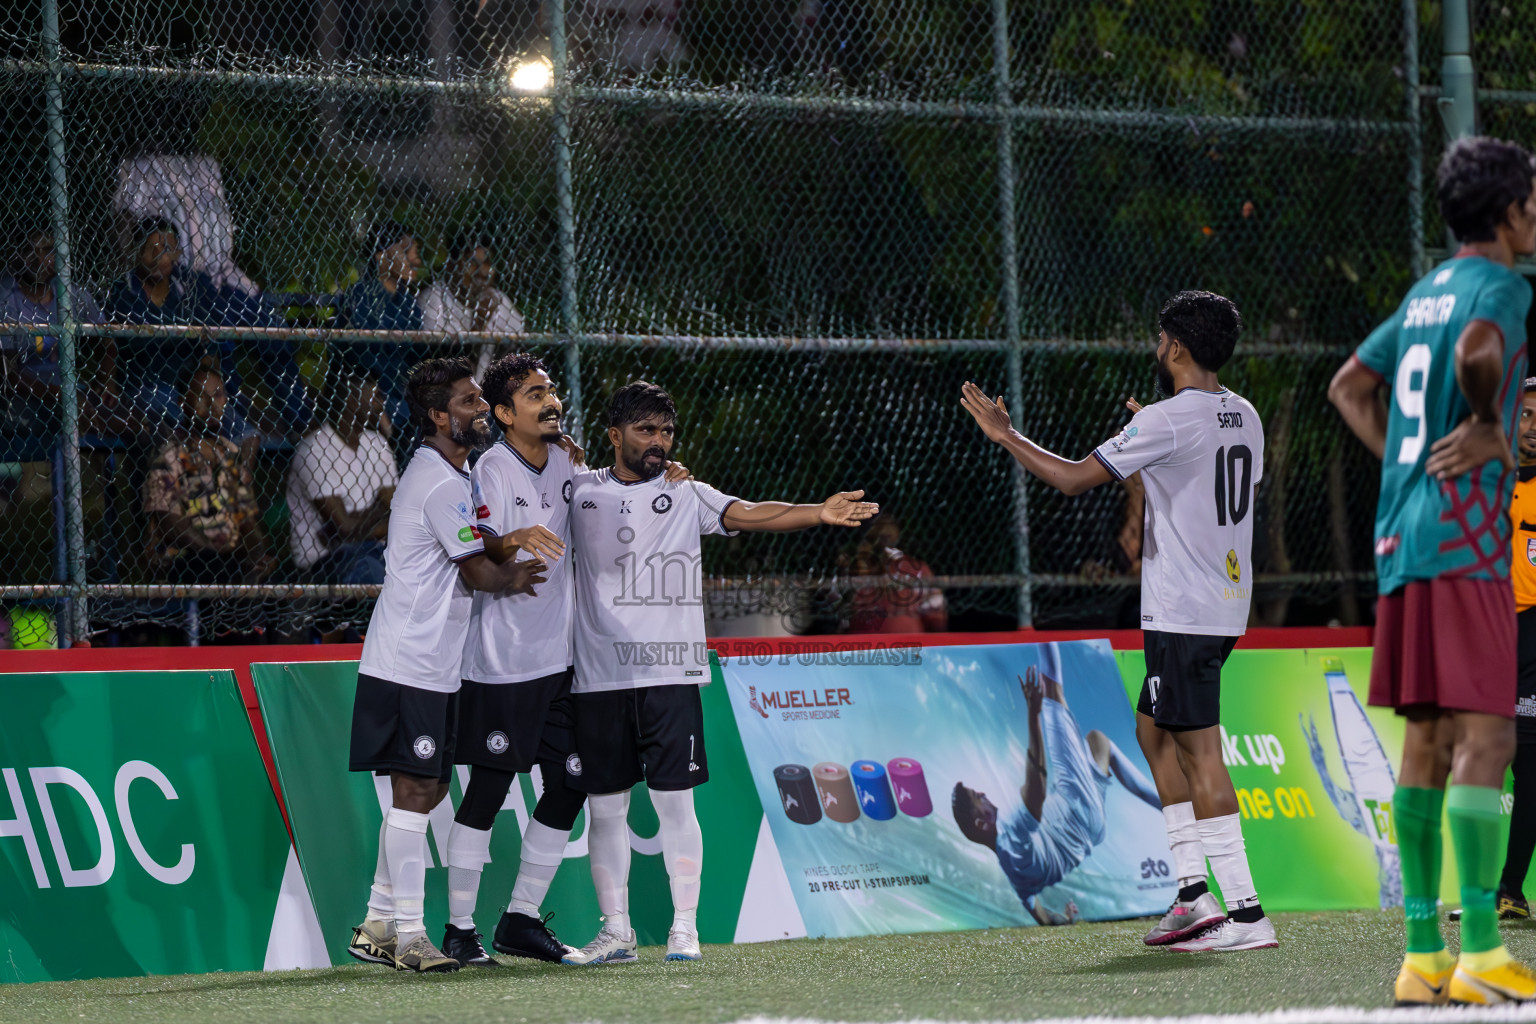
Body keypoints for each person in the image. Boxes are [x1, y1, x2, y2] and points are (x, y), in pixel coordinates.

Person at [961, 289, 1275, 953]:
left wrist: (1004, 434)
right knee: (1151, 733)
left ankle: (1246, 915)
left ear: (1179, 347)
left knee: (1200, 752)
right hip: (1220, 606)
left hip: (1185, 612)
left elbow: (1073, 477)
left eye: (1162, 340)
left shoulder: (1167, 419)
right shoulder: (1243, 415)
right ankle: (1193, 895)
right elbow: (1198, 491)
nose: (1157, 350)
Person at [560, 380, 877, 966]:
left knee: (676, 807)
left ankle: (685, 928)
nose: (658, 442)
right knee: (605, 809)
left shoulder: (687, 493)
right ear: (614, 435)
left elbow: (750, 513)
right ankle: (615, 932)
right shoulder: (576, 490)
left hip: (671, 676)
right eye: (645, 431)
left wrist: (817, 512)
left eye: (666, 431)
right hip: (598, 677)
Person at [1330, 135, 1536, 1006]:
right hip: (1467, 542)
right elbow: (1483, 349)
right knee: (1488, 740)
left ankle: (1422, 955)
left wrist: (1405, 470)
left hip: (1402, 539)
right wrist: (1492, 424)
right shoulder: (1502, 290)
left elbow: (1348, 386)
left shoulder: (1422, 294)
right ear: (1506, 212)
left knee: (1425, 741)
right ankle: (1483, 952)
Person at [346, 356, 548, 974]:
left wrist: (509, 540)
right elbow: (479, 573)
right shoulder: (436, 481)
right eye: (467, 402)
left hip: (436, 664)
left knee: (430, 787)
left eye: (479, 400)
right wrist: (515, 575)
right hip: (409, 662)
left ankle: (379, 921)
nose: (480, 409)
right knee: (414, 789)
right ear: (438, 416)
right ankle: (409, 936)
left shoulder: (456, 478)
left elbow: (481, 539)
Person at [440, 352, 581, 967]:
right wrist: (512, 543)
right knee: (491, 790)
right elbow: (475, 547)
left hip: (562, 662)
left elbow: (607, 496)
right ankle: (459, 930)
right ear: (503, 413)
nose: (550, 401)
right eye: (533, 394)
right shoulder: (493, 468)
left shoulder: (570, 462)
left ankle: (521, 918)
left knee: (573, 779)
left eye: (550, 390)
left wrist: (669, 475)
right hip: (503, 665)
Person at [953, 643, 1162, 925]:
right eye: (977, 797)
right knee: (1052, 692)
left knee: (1098, 744)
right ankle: (1046, 629)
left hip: (1091, 830)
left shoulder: (1015, 877)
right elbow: (1037, 788)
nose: (983, 792)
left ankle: (1168, 805)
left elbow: (1040, 914)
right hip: (1074, 804)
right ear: (981, 822)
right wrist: (1033, 714)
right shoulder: (1011, 839)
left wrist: (1066, 920)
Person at [107, 217, 308, 444]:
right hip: (146, 389)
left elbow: (212, 338)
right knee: (176, 436)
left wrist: (204, 379)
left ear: (177, 253)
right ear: (137, 252)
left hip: (192, 390)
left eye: (167, 249)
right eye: (151, 249)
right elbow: (122, 345)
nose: (158, 257)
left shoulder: (191, 284)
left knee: (248, 436)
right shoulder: (124, 289)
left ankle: (236, 477)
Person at [141, 366, 274, 587]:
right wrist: (217, 548)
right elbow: (169, 524)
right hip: (188, 559)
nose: (212, 405)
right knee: (216, 567)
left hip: (230, 559)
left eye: (218, 395)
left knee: (271, 575)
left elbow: (247, 521)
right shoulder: (172, 454)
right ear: (183, 403)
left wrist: (255, 553)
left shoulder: (229, 453)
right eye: (202, 397)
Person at [286, 360, 397, 585]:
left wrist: (358, 523)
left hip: (375, 550)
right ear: (351, 400)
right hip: (325, 561)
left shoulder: (378, 444)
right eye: (374, 396)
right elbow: (344, 528)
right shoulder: (314, 451)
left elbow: (399, 512)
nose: (381, 403)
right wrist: (378, 512)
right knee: (371, 570)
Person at [1497, 378, 1536, 919]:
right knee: (1473, 758)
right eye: (1525, 415)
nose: (1534, 428)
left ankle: (1509, 890)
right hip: (1484, 633)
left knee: (1529, 762)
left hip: (1531, 638)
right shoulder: (1487, 481)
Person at [338, 221, 425, 436]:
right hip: (371, 394)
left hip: (403, 396)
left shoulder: (408, 302)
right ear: (380, 256)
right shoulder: (359, 297)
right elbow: (362, 362)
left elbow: (417, 357)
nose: (416, 260)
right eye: (406, 252)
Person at [418, 232, 524, 377]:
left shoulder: (496, 298)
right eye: (472, 262)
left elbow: (523, 347)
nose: (482, 272)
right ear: (451, 265)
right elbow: (451, 367)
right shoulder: (434, 299)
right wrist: (479, 320)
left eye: (487, 262)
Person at [839, 514, 947, 633]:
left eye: (889, 523)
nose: (884, 529)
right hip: (867, 645)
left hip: (908, 643)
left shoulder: (916, 568)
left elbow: (936, 618)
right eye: (878, 524)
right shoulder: (855, 568)